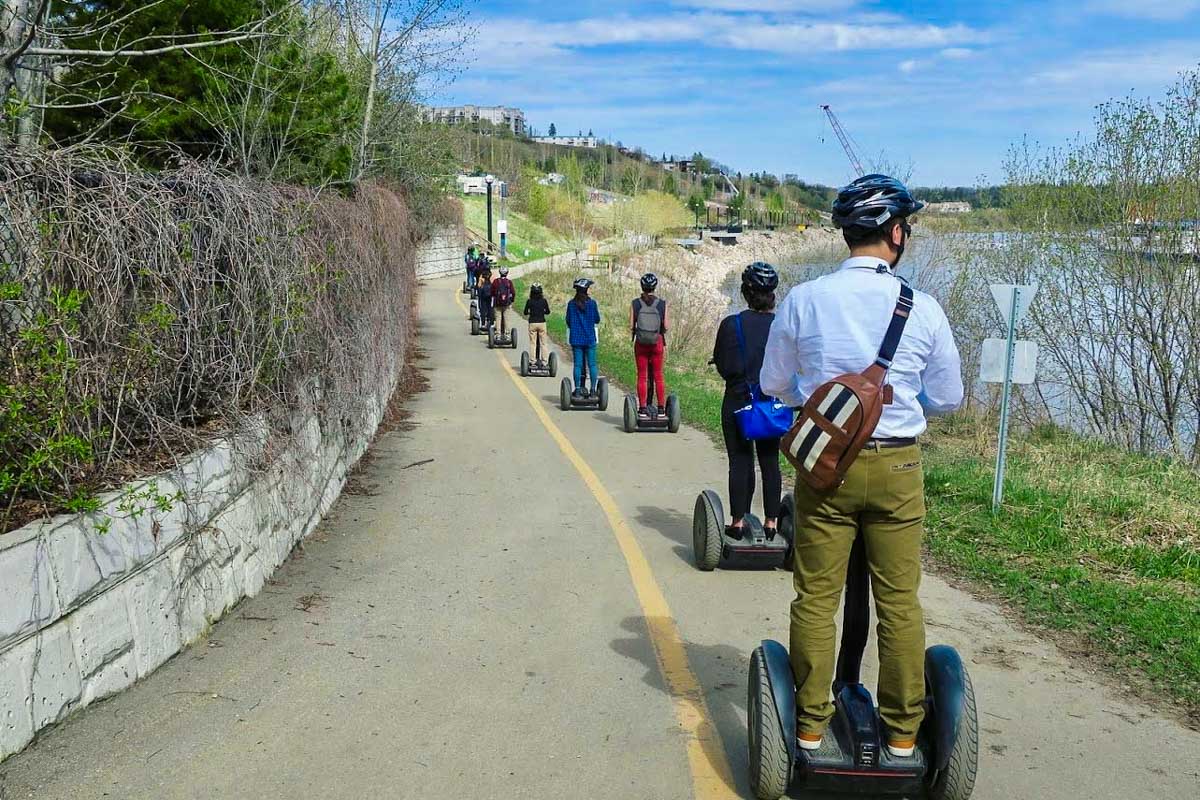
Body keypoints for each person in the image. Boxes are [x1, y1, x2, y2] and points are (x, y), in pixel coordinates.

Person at [760, 174, 964, 759]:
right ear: (896, 232)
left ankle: (809, 726)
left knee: (817, 597)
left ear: (848, 233)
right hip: (899, 468)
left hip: (827, 467)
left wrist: (826, 397)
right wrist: (898, 403)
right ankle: (903, 735)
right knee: (899, 600)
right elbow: (948, 397)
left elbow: (775, 384)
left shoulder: (804, 298)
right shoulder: (921, 307)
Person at [711, 262, 783, 538]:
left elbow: (722, 365)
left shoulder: (732, 324)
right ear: (772, 295)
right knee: (770, 462)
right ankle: (772, 523)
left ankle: (738, 521)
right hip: (770, 405)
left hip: (739, 401)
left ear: (745, 292)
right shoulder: (780, 326)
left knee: (740, 461)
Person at [630, 273, 668, 417]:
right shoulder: (662, 304)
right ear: (654, 287)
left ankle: (643, 409)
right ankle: (661, 409)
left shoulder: (635, 303)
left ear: (642, 286)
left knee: (642, 376)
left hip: (641, 344)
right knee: (658, 375)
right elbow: (666, 326)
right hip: (657, 343)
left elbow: (631, 325)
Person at [564, 277, 601, 397]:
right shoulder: (592, 304)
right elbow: (597, 319)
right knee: (592, 365)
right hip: (589, 338)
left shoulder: (571, 304)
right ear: (586, 290)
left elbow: (568, 321)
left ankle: (578, 389)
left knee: (578, 365)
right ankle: (593, 390)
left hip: (576, 339)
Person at [523, 283, 551, 363]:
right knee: (543, 343)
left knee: (533, 343)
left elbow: (525, 312)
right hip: (542, 323)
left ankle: (532, 361)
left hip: (532, 323)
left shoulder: (529, 301)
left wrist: (530, 312)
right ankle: (544, 361)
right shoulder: (544, 301)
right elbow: (548, 312)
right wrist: (543, 311)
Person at [491, 266, 516, 336]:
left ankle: (498, 334)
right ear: (507, 273)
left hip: (497, 303)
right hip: (507, 304)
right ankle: (507, 334)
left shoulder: (496, 281)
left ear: (499, 272)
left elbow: (492, 292)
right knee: (506, 318)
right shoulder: (509, 282)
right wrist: (512, 300)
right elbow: (513, 292)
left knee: (498, 318)